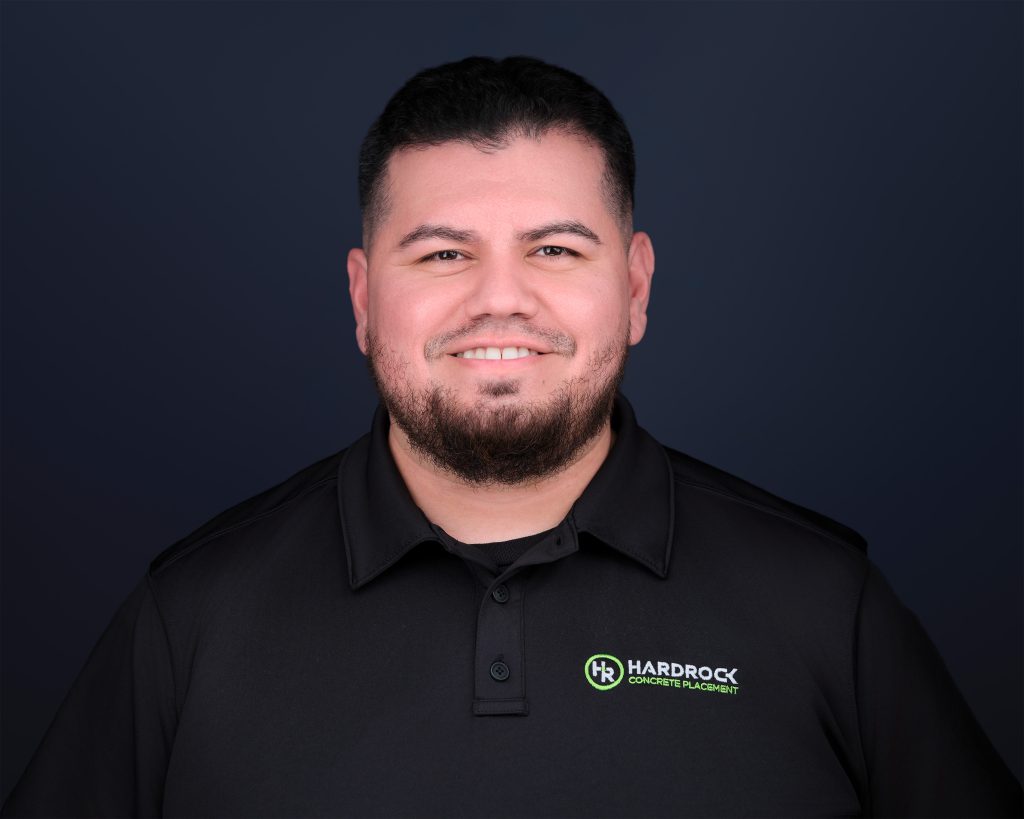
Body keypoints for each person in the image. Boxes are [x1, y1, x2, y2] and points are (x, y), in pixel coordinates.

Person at [2, 55, 1020, 819]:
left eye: (555, 249)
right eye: (443, 254)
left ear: (635, 287)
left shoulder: (826, 603)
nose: (501, 300)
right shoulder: (190, 618)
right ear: (362, 298)